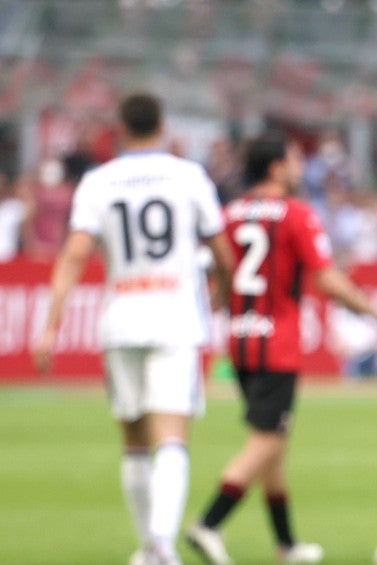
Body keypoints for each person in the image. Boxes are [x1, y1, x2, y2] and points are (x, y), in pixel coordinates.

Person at [32, 92, 235, 565]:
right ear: (162, 126)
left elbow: (76, 253)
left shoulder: (99, 181)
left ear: (120, 128)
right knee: (171, 436)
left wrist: (50, 325)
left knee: (134, 442)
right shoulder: (188, 176)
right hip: (175, 318)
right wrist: (222, 288)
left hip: (122, 318)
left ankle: (148, 546)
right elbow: (221, 250)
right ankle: (162, 544)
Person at [185, 134, 377, 565]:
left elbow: (215, 281)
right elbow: (326, 277)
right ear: (276, 168)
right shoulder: (297, 215)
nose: (301, 168)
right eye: (295, 161)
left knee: (274, 446)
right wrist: (372, 311)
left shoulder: (230, 214)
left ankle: (287, 544)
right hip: (277, 344)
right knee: (266, 440)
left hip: (240, 341)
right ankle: (209, 522)